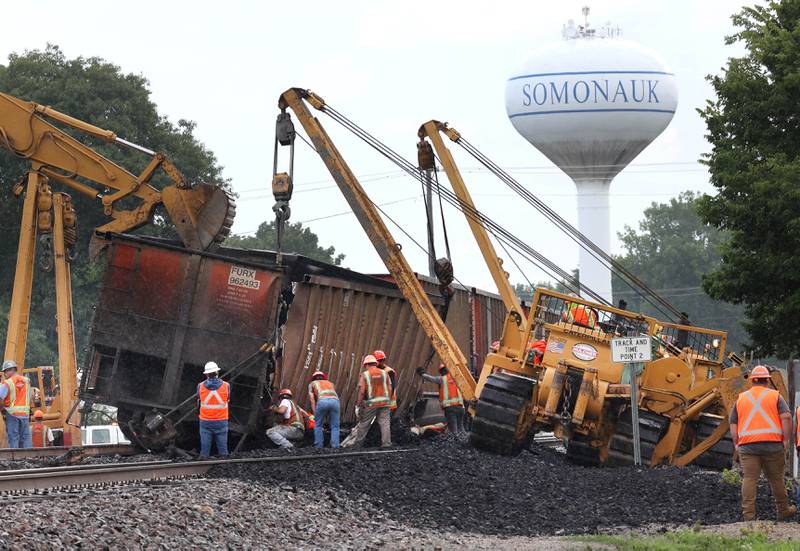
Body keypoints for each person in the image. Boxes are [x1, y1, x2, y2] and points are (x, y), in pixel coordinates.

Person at [729, 365, 796, 521]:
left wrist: (737, 443)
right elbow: (786, 417)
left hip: (748, 446)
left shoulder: (741, 398)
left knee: (749, 479)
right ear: (767, 380)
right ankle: (783, 510)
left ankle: (749, 517)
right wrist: (785, 440)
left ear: (752, 380)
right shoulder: (775, 396)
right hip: (773, 445)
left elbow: (733, 423)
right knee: (776, 478)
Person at [342, 355, 392, 448]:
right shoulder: (385, 373)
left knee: (364, 424)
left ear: (366, 365)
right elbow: (389, 387)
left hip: (372, 403)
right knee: (385, 423)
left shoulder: (365, 374)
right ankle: (386, 444)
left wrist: (358, 405)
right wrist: (387, 399)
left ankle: (357, 445)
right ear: (375, 364)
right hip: (385, 402)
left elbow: (362, 391)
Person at [416, 364, 465, 433]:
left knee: (454, 429)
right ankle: (464, 440)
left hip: (450, 409)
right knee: (461, 427)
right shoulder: (457, 379)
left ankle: (456, 441)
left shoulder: (442, 379)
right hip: (460, 408)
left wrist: (422, 374)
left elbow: (431, 379)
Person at [197, 361, 230, 458]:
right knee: (223, 449)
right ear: (217, 372)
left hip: (205, 422)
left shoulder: (200, 386)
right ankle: (224, 466)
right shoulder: (226, 386)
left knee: (205, 449)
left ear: (206, 374)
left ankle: (203, 466)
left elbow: (199, 399)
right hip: (221, 422)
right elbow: (228, 399)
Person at [0, 360, 32, 448]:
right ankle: (29, 459)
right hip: (25, 414)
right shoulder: (26, 381)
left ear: (8, 370)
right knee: (25, 438)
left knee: (13, 438)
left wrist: (2, 409)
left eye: (4, 372)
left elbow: (0, 397)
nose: (4, 375)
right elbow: (29, 397)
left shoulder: (7, 383)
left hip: (11, 414)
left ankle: (16, 460)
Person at [308, 371, 340, 449]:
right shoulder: (330, 383)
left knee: (318, 425)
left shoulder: (312, 384)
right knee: (335, 426)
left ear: (314, 378)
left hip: (322, 401)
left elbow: (312, 399)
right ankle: (335, 446)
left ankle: (318, 446)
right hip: (335, 402)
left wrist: (315, 412)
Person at [374, 350, 397, 414]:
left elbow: (392, 387)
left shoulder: (389, 371)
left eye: (382, 360)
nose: (381, 362)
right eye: (379, 361)